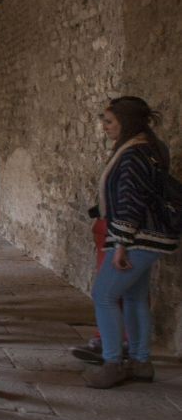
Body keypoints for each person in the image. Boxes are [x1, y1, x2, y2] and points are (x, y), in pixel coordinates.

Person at [83, 96, 179, 388]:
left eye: (110, 121)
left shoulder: (133, 154)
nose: (105, 126)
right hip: (149, 236)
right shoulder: (149, 148)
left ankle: (113, 363)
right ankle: (140, 362)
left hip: (138, 238)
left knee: (104, 295)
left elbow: (130, 201)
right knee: (135, 297)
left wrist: (121, 244)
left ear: (126, 122)